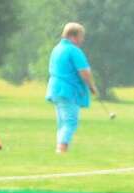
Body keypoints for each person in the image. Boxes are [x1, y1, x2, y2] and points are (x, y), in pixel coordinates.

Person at [45, 23, 98, 153]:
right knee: (70, 122)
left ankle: (60, 149)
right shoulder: (73, 50)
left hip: (55, 89)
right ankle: (61, 149)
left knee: (62, 122)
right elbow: (84, 71)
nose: (82, 40)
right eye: (81, 36)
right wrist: (91, 86)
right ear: (73, 36)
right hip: (68, 90)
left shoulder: (57, 49)